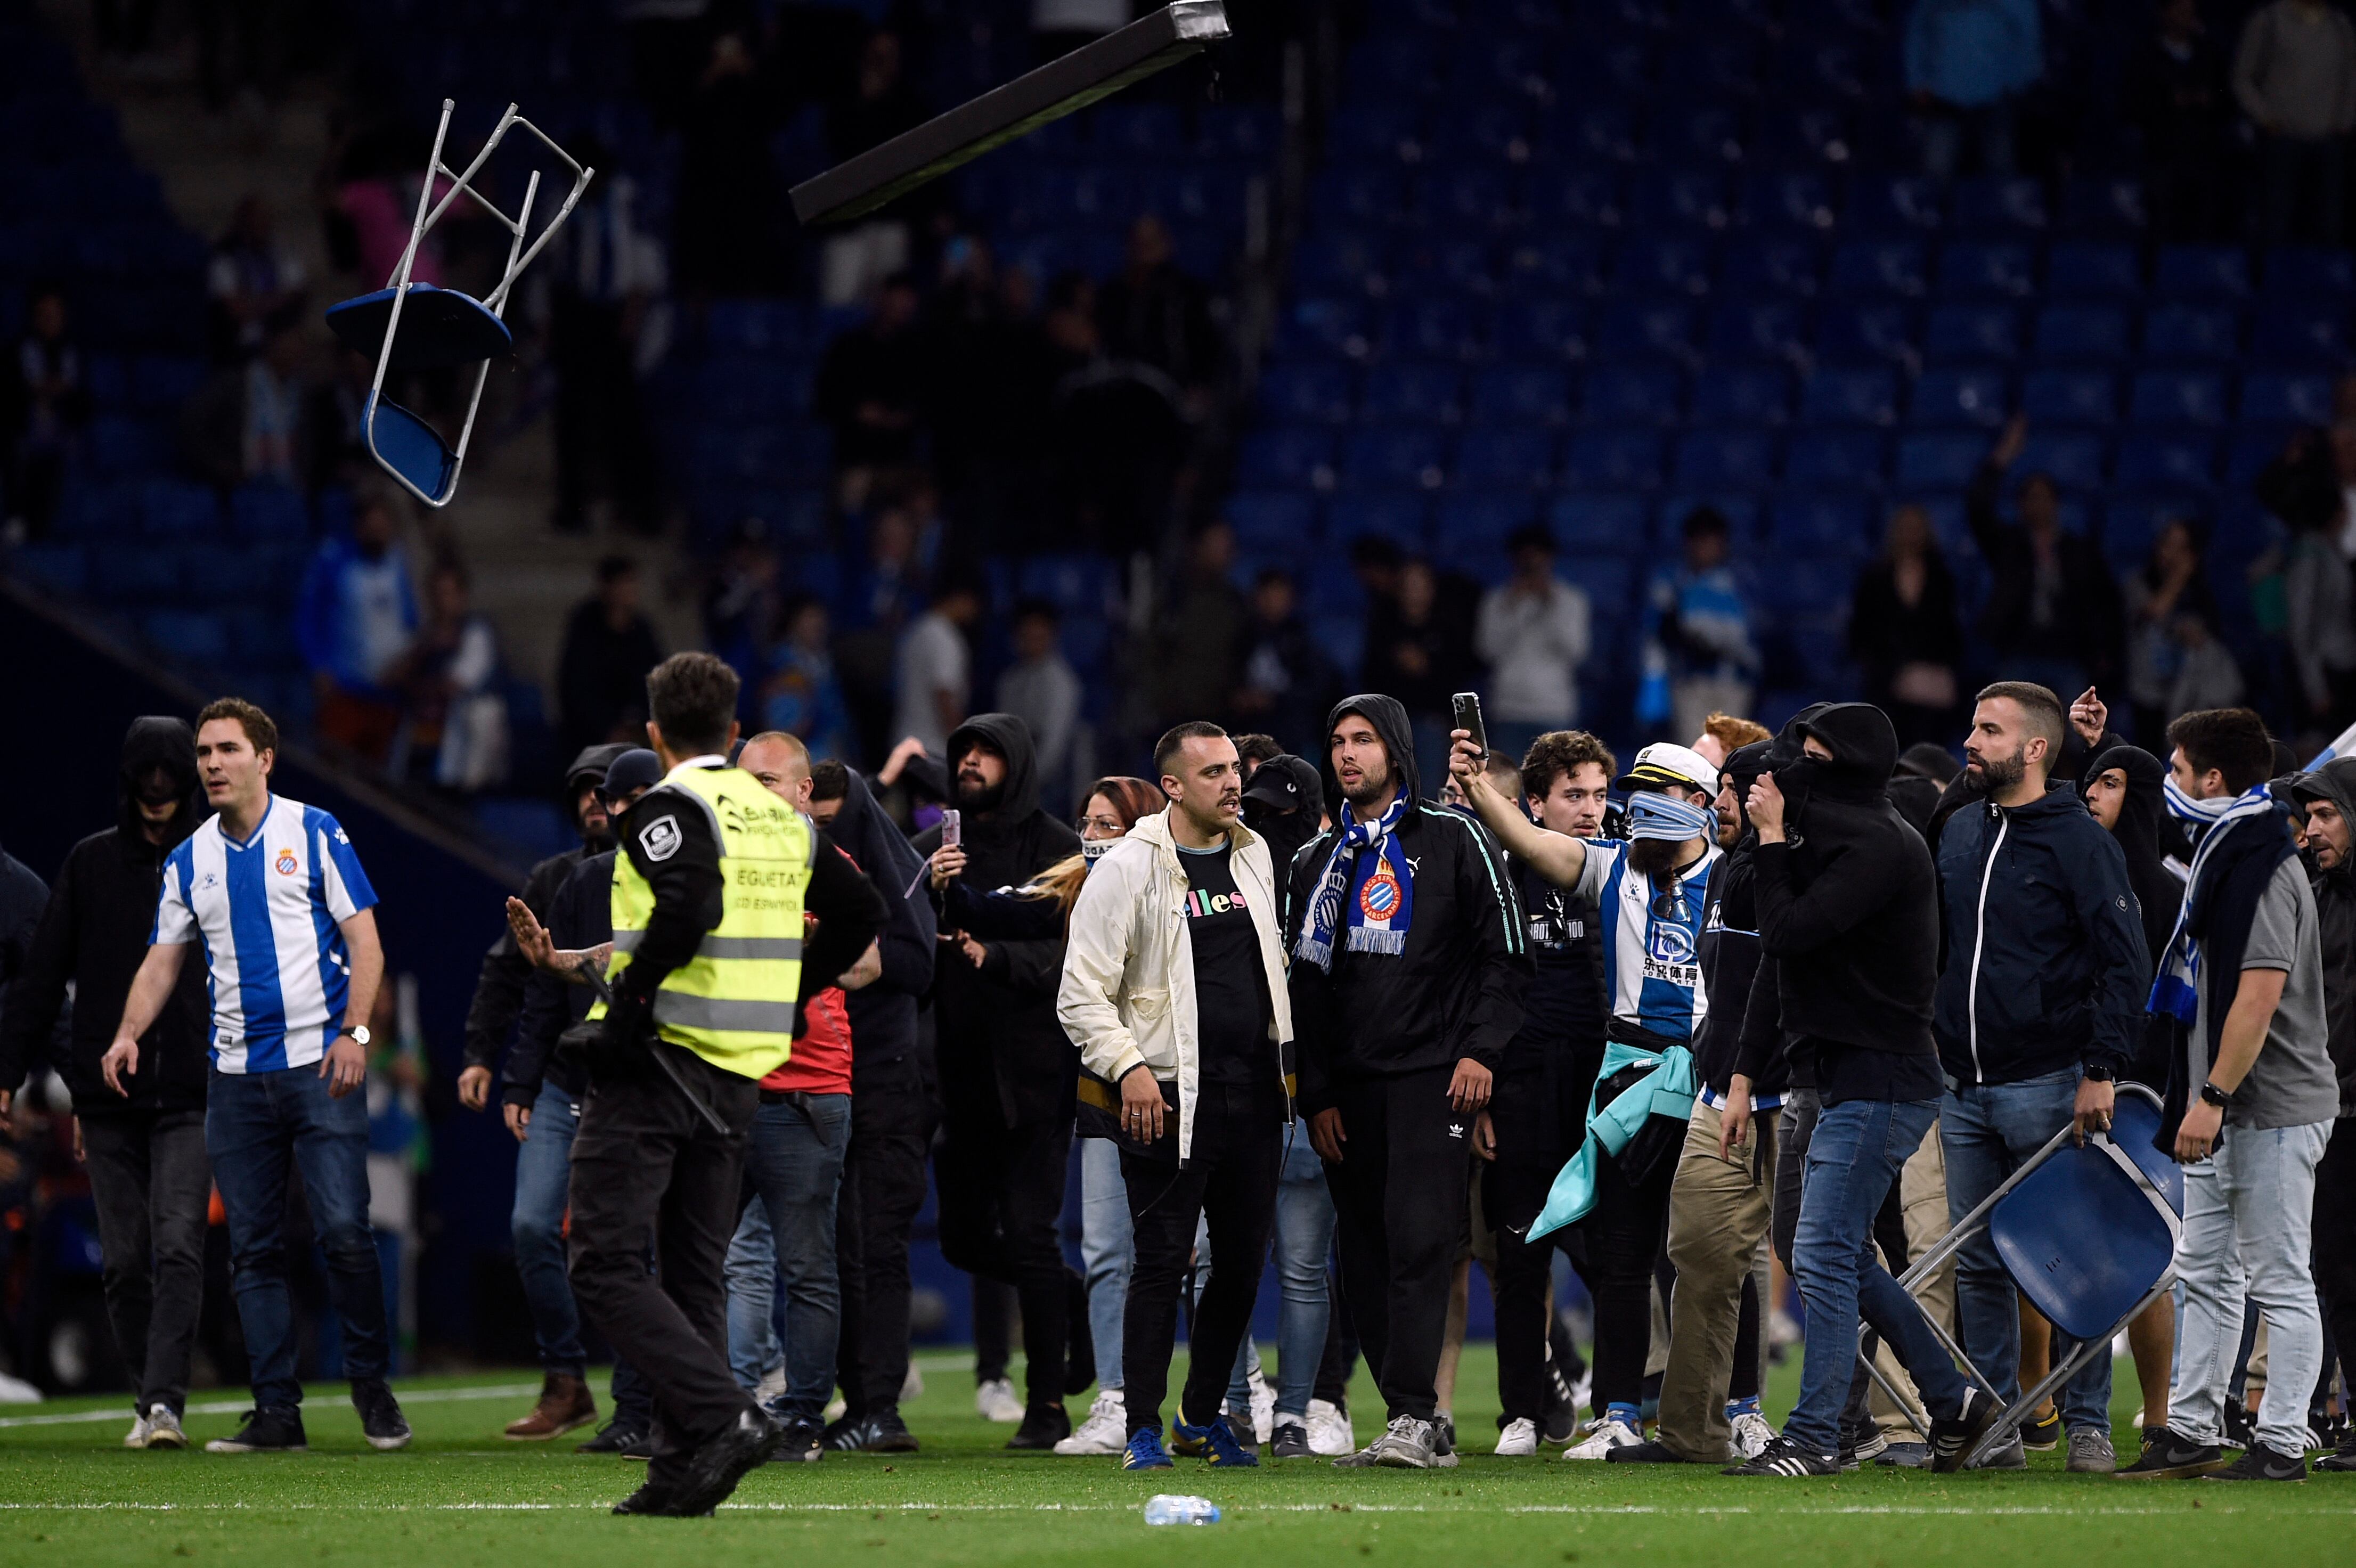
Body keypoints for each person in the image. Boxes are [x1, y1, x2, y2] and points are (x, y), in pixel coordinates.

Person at [509, 653, 885, 1515]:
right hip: (738, 1075)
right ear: (731, 729)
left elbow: (684, 902)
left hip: (659, 1062)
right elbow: (861, 913)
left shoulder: (663, 809)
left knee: (601, 1258)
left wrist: (629, 1007)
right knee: (693, 1274)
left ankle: (723, 1414)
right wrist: (792, 990)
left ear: (652, 735)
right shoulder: (782, 820)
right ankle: (681, 1466)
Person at [102, 698, 410, 1455]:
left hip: (320, 1065)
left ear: (265, 759)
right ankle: (278, 1411)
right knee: (253, 1250)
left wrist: (357, 1034)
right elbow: (161, 963)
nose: (210, 764)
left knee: (343, 1232)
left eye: (227, 750)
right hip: (235, 1080)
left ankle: (371, 1386)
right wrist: (125, 1033)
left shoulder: (315, 831)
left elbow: (367, 943)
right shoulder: (189, 860)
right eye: (205, 752)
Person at [1728, 704, 2002, 1476]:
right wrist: (1768, 839)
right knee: (1843, 1258)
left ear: (1848, 766)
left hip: (1879, 1075)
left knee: (1818, 1252)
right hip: (1835, 1073)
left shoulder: (1882, 845)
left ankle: (1815, 1436)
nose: (1791, 770)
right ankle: (1954, 1404)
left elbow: (1787, 932)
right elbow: (1752, 906)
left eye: (1812, 757)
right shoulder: (1824, 833)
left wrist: (1777, 838)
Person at [1450, 736, 1722, 1458]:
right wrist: (1477, 789)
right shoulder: (1599, 869)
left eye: (1611, 793)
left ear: (1698, 803)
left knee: (1693, 1256)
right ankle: (1580, 1412)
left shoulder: (1729, 878)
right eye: (1584, 794)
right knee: (1578, 1250)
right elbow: (1521, 845)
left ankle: (1727, 1408)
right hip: (1589, 1081)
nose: (1610, 808)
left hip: (1678, 1080)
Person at [1291, 695, 1527, 1468]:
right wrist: (1316, 1092)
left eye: (1362, 740)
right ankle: (1404, 1416)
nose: (1347, 754)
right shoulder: (1314, 862)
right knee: (1360, 1252)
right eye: (1336, 742)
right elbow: (1304, 993)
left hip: (1435, 1077)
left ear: (1394, 749)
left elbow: (1506, 956)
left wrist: (1480, 1053)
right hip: (1347, 1092)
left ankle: (1418, 1415)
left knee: (1420, 1240)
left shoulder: (1456, 835)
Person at [1058, 723, 1296, 1471]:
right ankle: (1139, 1427)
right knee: (1160, 1264)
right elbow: (1079, 995)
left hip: (1253, 1095)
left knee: (1237, 1269)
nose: (1233, 783)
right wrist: (1127, 1066)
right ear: (1171, 787)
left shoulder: (1252, 852)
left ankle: (1199, 1418)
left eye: (1233, 769)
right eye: (1214, 773)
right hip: (1163, 1098)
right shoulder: (1126, 868)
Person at [1934, 682, 2153, 1474]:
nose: (1969, 740)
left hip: (2048, 1080)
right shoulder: (1957, 830)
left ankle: (2087, 1421)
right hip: (1959, 1084)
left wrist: (2100, 1069)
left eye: (1987, 730)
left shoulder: (2079, 841)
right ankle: (1998, 1422)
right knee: (1977, 1265)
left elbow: (2125, 964)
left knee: (2070, 1257)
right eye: (1971, 725)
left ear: (2032, 749)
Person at [2121, 708, 2339, 1482]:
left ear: (2212, 780)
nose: (2171, 786)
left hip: (2266, 1103)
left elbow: (2255, 994)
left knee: (2277, 1273)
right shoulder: (2224, 854)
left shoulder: (2265, 867)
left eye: (2177, 772)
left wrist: (2209, 1094)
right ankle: (2190, 1427)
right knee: (2203, 1268)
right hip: (2215, 1103)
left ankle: (2281, 1441)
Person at [0, 719, 210, 1449]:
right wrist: (9, 1071)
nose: (157, 793)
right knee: (124, 1262)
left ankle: (163, 1404)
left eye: (168, 778)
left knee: (180, 1246)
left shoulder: (215, 863)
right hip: (110, 1098)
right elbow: (39, 978)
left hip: (190, 1090)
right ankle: (146, 1397)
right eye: (145, 779)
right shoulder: (90, 865)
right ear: (129, 784)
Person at [916, 714, 1088, 1448]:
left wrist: (996, 958)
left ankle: (1045, 1406)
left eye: (985, 753)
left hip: (1033, 1076)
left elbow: (1074, 958)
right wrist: (930, 898)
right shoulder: (932, 853)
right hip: (953, 1077)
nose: (972, 764)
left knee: (1028, 1233)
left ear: (1015, 762)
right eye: (963, 754)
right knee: (960, 1242)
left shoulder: (1058, 848)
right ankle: (1066, 1293)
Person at [1616, 738, 1785, 1466]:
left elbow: (1772, 981)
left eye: (1734, 789)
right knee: (1694, 1254)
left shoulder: (1766, 867)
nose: (1726, 802)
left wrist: (1742, 1074)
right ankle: (1691, 1429)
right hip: (1718, 1087)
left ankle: (1873, 1419)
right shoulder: (1718, 873)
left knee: (1820, 1258)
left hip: (1784, 1089)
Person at [456, 742, 625, 1442]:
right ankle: (566, 1379)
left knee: (629, 1242)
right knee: (531, 1225)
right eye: (582, 790)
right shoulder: (554, 876)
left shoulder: (659, 877)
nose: (592, 801)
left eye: (603, 789)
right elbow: (519, 986)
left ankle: (648, 1393)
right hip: (562, 1081)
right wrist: (494, 1065)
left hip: (633, 1081)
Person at [505, 748, 667, 1455]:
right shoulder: (576, 880)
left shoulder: (687, 874)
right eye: (606, 796)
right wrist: (516, 1078)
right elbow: (543, 987)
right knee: (549, 1231)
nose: (612, 808)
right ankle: (577, 1382)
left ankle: (655, 1406)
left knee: (642, 1250)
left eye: (627, 796)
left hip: (664, 1078)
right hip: (584, 1080)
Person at [727, 731, 884, 1461]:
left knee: (806, 1267)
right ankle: (716, 1405)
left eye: (768, 781)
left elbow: (868, 964)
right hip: (725, 1086)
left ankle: (799, 1419)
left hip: (807, 1089)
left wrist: (783, 961)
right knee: (706, 1259)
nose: (753, 793)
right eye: (743, 780)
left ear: (801, 793)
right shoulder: (722, 863)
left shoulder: (829, 865)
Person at [1473, 730, 1613, 1457]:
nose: (1589, 810)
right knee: (1520, 1249)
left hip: (1605, 1083)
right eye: (1572, 796)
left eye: (1596, 794)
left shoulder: (1626, 869)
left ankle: (1623, 1406)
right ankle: (1520, 1415)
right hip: (1524, 1080)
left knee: (1613, 1254)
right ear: (1532, 804)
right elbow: (1478, 988)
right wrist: (1485, 1092)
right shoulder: (1500, 874)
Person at [806, 760, 939, 1455]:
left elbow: (920, 967)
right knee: (826, 1248)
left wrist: (865, 960)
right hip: (817, 1075)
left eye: (831, 824)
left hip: (884, 1077)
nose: (819, 837)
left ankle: (878, 1405)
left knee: (873, 1244)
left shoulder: (894, 869)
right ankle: (841, 1399)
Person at [2079, 739, 2188, 1447]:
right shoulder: (2072, 873)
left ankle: (2158, 1409)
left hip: (2151, 1099)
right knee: (2065, 1249)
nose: (2091, 794)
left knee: (2145, 1258)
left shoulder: (2178, 894)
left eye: (2109, 783)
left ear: (2141, 798)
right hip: (2075, 1084)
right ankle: (2049, 1408)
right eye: (2088, 782)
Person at [2286, 760, 2356, 1470]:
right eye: (2306, 819)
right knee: (2335, 1272)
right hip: (2331, 1114)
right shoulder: (2308, 895)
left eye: (2325, 815)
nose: (2310, 832)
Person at [547, 156, 666, 537]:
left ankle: (640, 511)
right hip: (574, 315)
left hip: (616, 319)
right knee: (572, 419)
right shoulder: (561, 201)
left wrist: (630, 323)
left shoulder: (630, 203)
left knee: (623, 422)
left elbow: (646, 269)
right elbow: (551, 263)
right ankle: (573, 511)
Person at [1969, 418, 2123, 699]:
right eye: (2031, 498)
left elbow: (2105, 603)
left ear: (2056, 503)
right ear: (2021, 506)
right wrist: (2002, 456)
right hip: (2018, 650)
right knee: (2010, 730)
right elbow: (1977, 508)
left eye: (2044, 497)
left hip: (2069, 653)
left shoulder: (2080, 550)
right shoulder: (2009, 545)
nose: (2038, 505)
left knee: (2073, 733)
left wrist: (2103, 651)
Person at [295, 491, 419, 764]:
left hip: (390, 696)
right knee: (336, 773)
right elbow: (308, 619)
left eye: (383, 526)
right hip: (345, 693)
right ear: (359, 526)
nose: (377, 533)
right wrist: (319, 667)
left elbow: (414, 624)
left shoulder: (402, 564)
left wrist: (409, 665)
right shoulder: (334, 561)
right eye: (371, 526)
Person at [2233, 0, 2356, 246]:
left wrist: (2346, 120)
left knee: (2328, 224)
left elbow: (2352, 78)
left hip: (2329, 142)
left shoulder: (2341, 25)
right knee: (2278, 222)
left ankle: (2326, 281)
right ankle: (2274, 279)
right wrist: (2266, 118)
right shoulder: (2268, 20)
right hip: (2282, 141)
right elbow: (2242, 78)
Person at [1476, 525, 1594, 767]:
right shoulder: (1498, 601)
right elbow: (1487, 650)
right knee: (1508, 784)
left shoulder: (1571, 601)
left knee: (1554, 783)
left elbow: (1576, 651)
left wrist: (1550, 605)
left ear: (1549, 560)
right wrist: (1512, 608)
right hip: (1507, 707)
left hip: (1553, 708)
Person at [1850, 504, 1966, 750]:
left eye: (1916, 529)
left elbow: (1949, 633)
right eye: (1905, 528)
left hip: (1930, 676)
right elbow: (1862, 633)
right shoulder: (1875, 578)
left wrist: (1928, 672)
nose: (1910, 535)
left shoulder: (1941, 578)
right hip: (1886, 676)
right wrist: (1896, 673)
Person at [1641, 508, 1759, 746]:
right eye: (1699, 541)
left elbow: (1751, 636)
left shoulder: (1739, 582)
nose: (1705, 548)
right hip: (1688, 681)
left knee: (1731, 754)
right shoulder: (1671, 583)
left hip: (1733, 681)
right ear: (1688, 543)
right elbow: (1657, 635)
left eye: (1712, 541)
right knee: (1693, 754)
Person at [389, 558, 509, 791]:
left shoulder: (477, 632)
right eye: (436, 594)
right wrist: (425, 648)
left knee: (483, 713)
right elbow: (390, 678)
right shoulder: (424, 635)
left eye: (449, 594)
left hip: (465, 742)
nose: (442, 602)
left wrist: (414, 687)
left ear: (462, 597)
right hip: (424, 736)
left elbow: (454, 685)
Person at [2127, 0, 2232, 241]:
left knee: (2204, 229)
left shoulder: (2210, 54)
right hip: (2162, 155)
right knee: (2162, 229)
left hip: (2204, 156)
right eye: (2180, 12)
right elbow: (2132, 104)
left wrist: (2209, 100)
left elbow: (2227, 98)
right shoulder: (2146, 54)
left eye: (2190, 12)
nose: (2186, 17)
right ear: (2164, 14)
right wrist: (2168, 101)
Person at [1904, 0, 2043, 178]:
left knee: (2002, 174)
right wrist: (1917, 82)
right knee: (1935, 173)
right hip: (1944, 95)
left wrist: (2019, 84)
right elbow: (1918, 32)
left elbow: (2028, 36)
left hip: (1997, 95)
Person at [2123, 520, 2224, 747]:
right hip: (2147, 692)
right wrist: (2180, 575)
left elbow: (2207, 637)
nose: (2175, 555)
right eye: (2170, 545)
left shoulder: (2200, 592)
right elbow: (2156, 612)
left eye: (2183, 548)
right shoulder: (2137, 583)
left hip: (2189, 692)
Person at [2, 285, 91, 541]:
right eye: (44, 314)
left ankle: (48, 533)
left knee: (61, 460)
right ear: (34, 317)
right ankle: (16, 521)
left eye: (55, 314)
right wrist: (33, 391)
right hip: (24, 431)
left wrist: (63, 393)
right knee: (15, 450)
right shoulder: (17, 351)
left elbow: (85, 403)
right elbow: (8, 398)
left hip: (61, 434)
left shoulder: (74, 353)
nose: (50, 320)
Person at [557, 557, 665, 756]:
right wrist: (608, 728)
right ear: (608, 586)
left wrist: (637, 721)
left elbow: (656, 678)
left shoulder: (641, 630)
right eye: (623, 583)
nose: (629, 590)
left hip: (637, 728)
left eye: (633, 582)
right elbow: (576, 687)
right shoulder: (585, 627)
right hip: (591, 732)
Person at [1232, 568, 1340, 762]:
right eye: (1267, 595)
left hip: (1291, 735)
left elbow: (1317, 688)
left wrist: (1274, 700)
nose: (1272, 603)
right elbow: (1227, 680)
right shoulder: (1242, 637)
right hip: (1246, 733)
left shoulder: (1302, 641)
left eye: (1279, 597)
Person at [997, 600, 1083, 816]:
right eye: (1026, 634)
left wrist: (1023, 783)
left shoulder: (1062, 683)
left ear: (1052, 635)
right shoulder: (1010, 681)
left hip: (1048, 789)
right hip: (1012, 781)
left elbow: (1054, 748)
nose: (1032, 640)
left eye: (1039, 634)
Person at [892, 576, 981, 761]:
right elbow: (944, 695)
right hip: (931, 750)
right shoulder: (945, 639)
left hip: (904, 743)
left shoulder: (915, 631)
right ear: (960, 598)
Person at [760, 595, 854, 765]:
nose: (817, 625)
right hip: (800, 760)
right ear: (794, 623)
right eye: (809, 618)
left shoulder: (825, 662)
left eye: (820, 618)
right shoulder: (782, 664)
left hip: (833, 753)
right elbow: (783, 725)